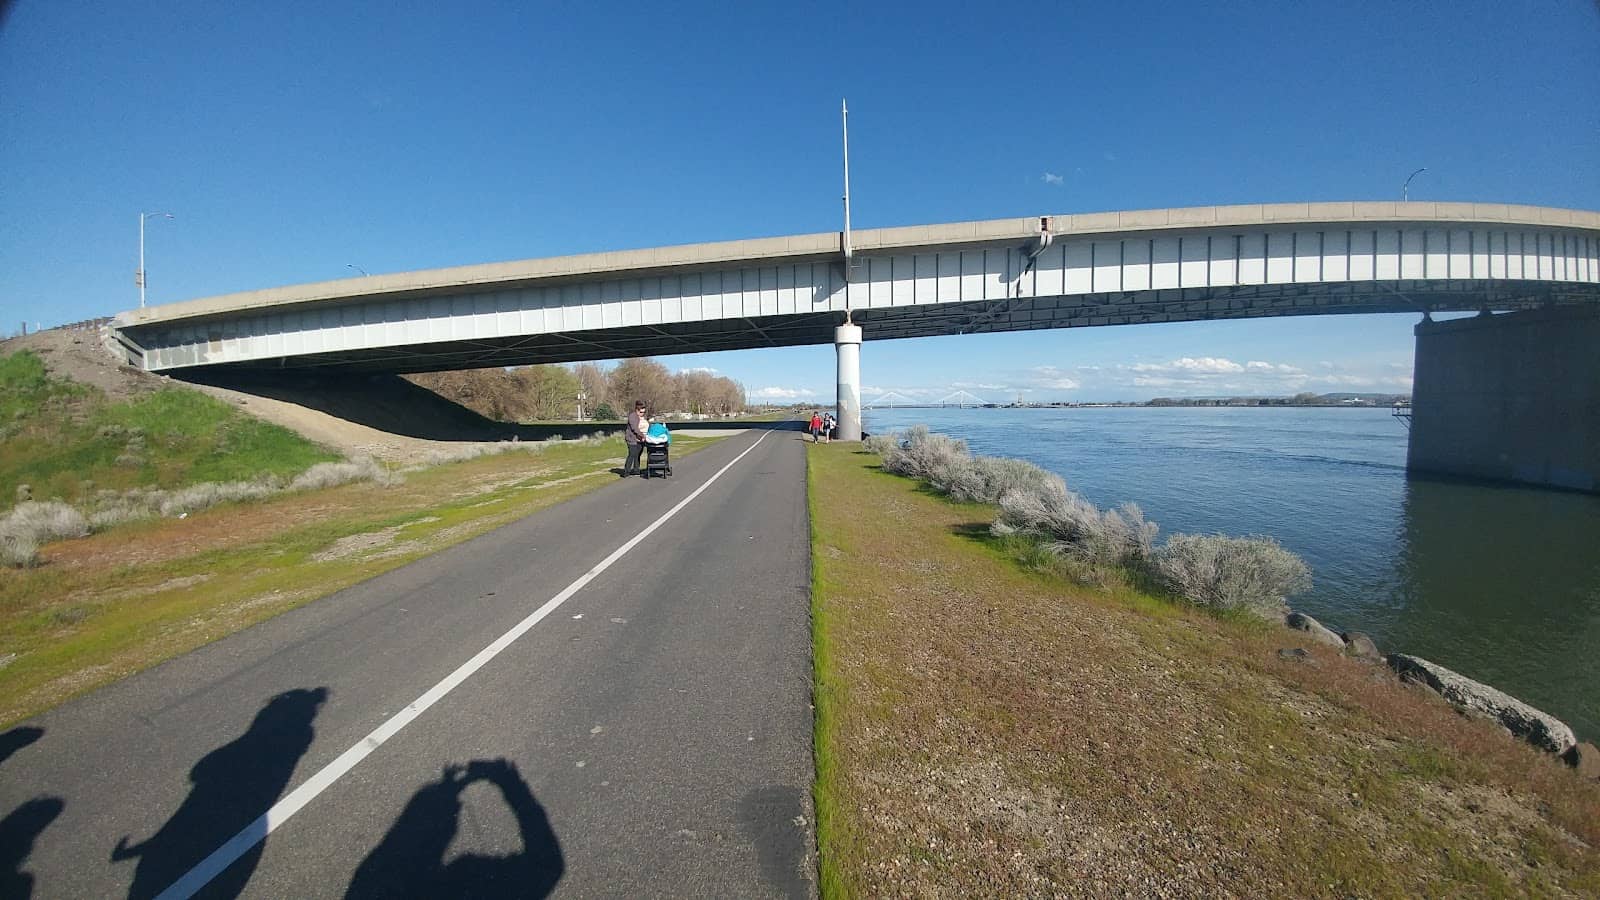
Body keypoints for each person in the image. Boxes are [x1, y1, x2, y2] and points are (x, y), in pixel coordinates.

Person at [622, 400, 648, 476]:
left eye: (643, 412)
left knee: (638, 454)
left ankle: (636, 470)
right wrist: (643, 436)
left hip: (640, 439)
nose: (642, 414)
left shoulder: (642, 417)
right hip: (632, 438)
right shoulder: (632, 416)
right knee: (632, 454)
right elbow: (635, 429)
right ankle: (626, 471)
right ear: (637, 410)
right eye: (641, 412)